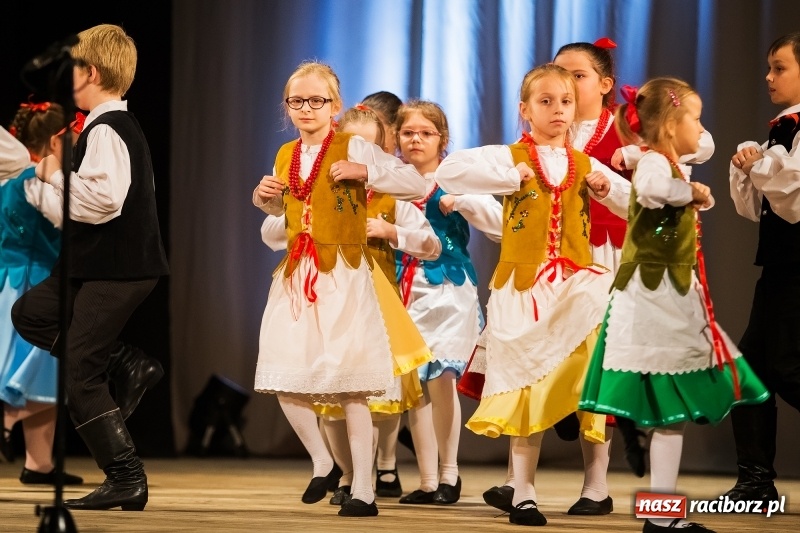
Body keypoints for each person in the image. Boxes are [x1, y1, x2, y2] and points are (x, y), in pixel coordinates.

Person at [436, 63, 630, 526]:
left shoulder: (585, 164)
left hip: (576, 285)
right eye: (545, 102)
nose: (557, 110)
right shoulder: (510, 155)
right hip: (524, 288)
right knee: (526, 384)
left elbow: (632, 201)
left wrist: (606, 190)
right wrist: (508, 176)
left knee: (591, 380)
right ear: (525, 110)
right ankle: (522, 491)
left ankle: (596, 486)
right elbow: (450, 170)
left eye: (564, 101)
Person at [579, 77, 770, 533]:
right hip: (654, 297)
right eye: (696, 119)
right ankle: (659, 516)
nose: (701, 130)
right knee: (675, 401)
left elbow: (638, 207)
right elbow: (648, 192)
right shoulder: (654, 163)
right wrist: (692, 194)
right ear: (669, 125)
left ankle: (660, 516)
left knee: (673, 412)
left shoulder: (668, 164)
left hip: (672, 292)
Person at [252, 61, 426, 518]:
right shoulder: (286, 154)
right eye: (296, 101)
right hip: (299, 275)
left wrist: (367, 172)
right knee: (284, 374)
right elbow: (288, 211)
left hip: (345, 274)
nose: (306, 109)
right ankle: (323, 460)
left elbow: (415, 182)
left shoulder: (355, 147)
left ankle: (365, 487)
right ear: (286, 106)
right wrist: (265, 199)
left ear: (335, 105)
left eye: (317, 101)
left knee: (351, 387)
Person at [11, 24, 169, 511]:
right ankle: (126, 362)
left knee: (81, 370)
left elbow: (103, 202)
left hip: (117, 269)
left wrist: (58, 174)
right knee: (32, 313)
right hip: (91, 265)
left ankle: (125, 476)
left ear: (91, 72)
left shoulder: (108, 128)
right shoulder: (101, 125)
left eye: (73, 69)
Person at [392, 99, 501, 506]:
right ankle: (425, 479)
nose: (416, 139)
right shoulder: (391, 179)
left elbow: (498, 227)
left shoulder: (454, 177)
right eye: (408, 133)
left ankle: (449, 474)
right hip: (403, 288)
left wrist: (464, 202)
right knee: (413, 387)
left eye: (426, 132)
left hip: (448, 288)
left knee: (442, 379)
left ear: (442, 139)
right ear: (397, 139)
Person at [726, 31, 800, 505]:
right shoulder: (782, 128)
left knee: (788, 369)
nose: (769, 77)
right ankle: (755, 482)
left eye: (780, 67)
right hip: (779, 267)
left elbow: (795, 201)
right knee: (750, 372)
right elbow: (761, 210)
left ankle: (756, 481)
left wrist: (762, 165)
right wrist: (748, 167)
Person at [1, 102, 84, 486]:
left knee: (42, 378)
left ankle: (39, 463)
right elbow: (66, 218)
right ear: (56, 140)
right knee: (32, 366)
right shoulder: (37, 180)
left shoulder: (8, 177)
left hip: (8, 282)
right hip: (31, 285)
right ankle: (6, 426)